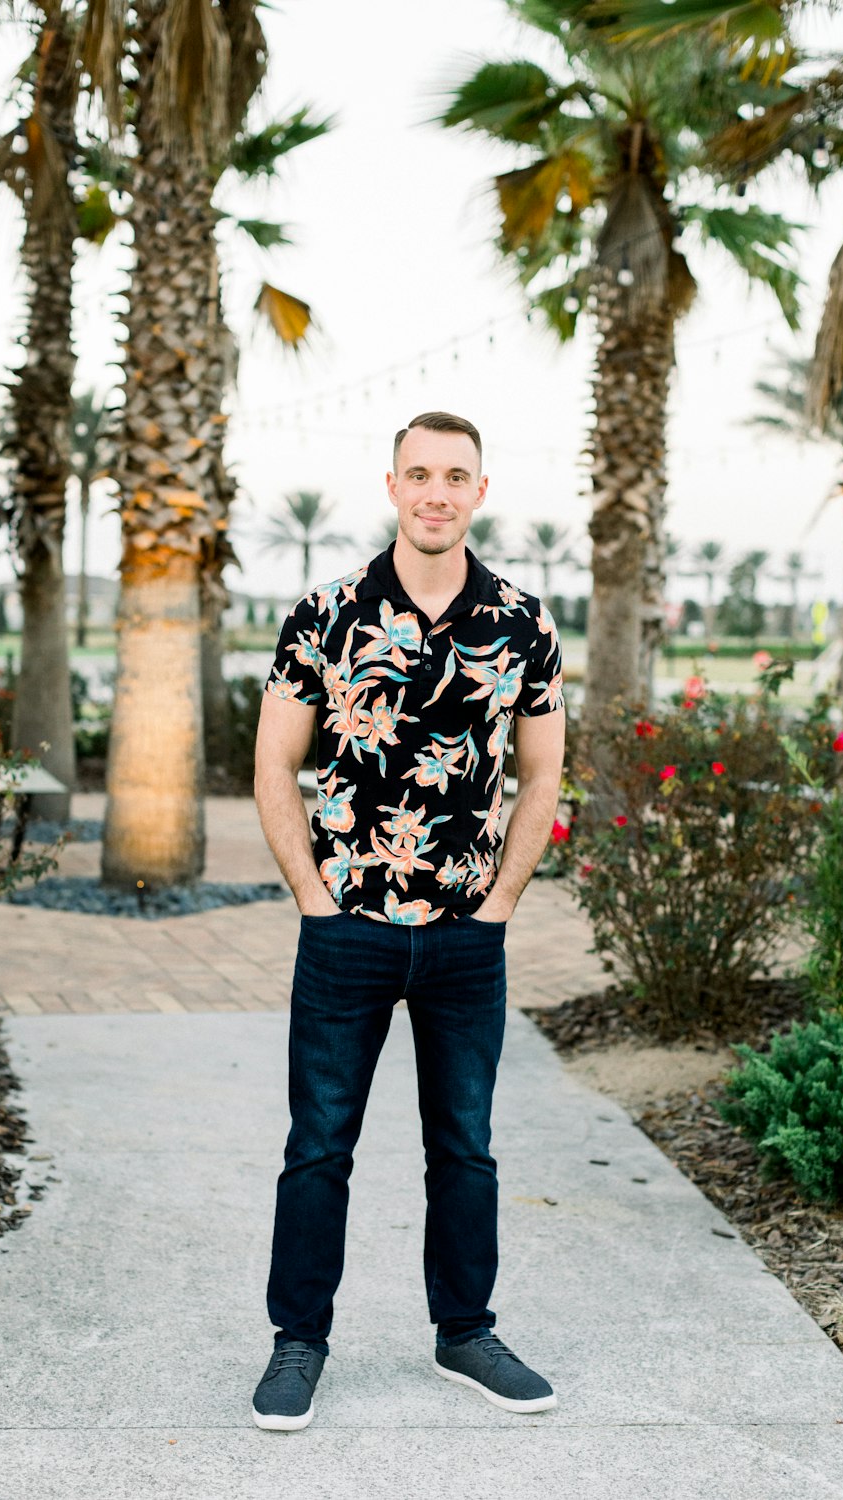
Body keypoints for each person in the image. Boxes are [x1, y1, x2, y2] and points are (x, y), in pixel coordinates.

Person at [251, 411, 566, 1431]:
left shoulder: (521, 623)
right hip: (345, 927)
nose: (437, 491)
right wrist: (309, 891)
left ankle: (464, 1333)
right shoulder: (327, 613)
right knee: (319, 1147)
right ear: (391, 485)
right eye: (419, 473)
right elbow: (271, 763)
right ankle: (296, 1345)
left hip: (467, 936)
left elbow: (543, 770)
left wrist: (503, 900)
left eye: (456, 476)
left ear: (480, 491)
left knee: (464, 1147)